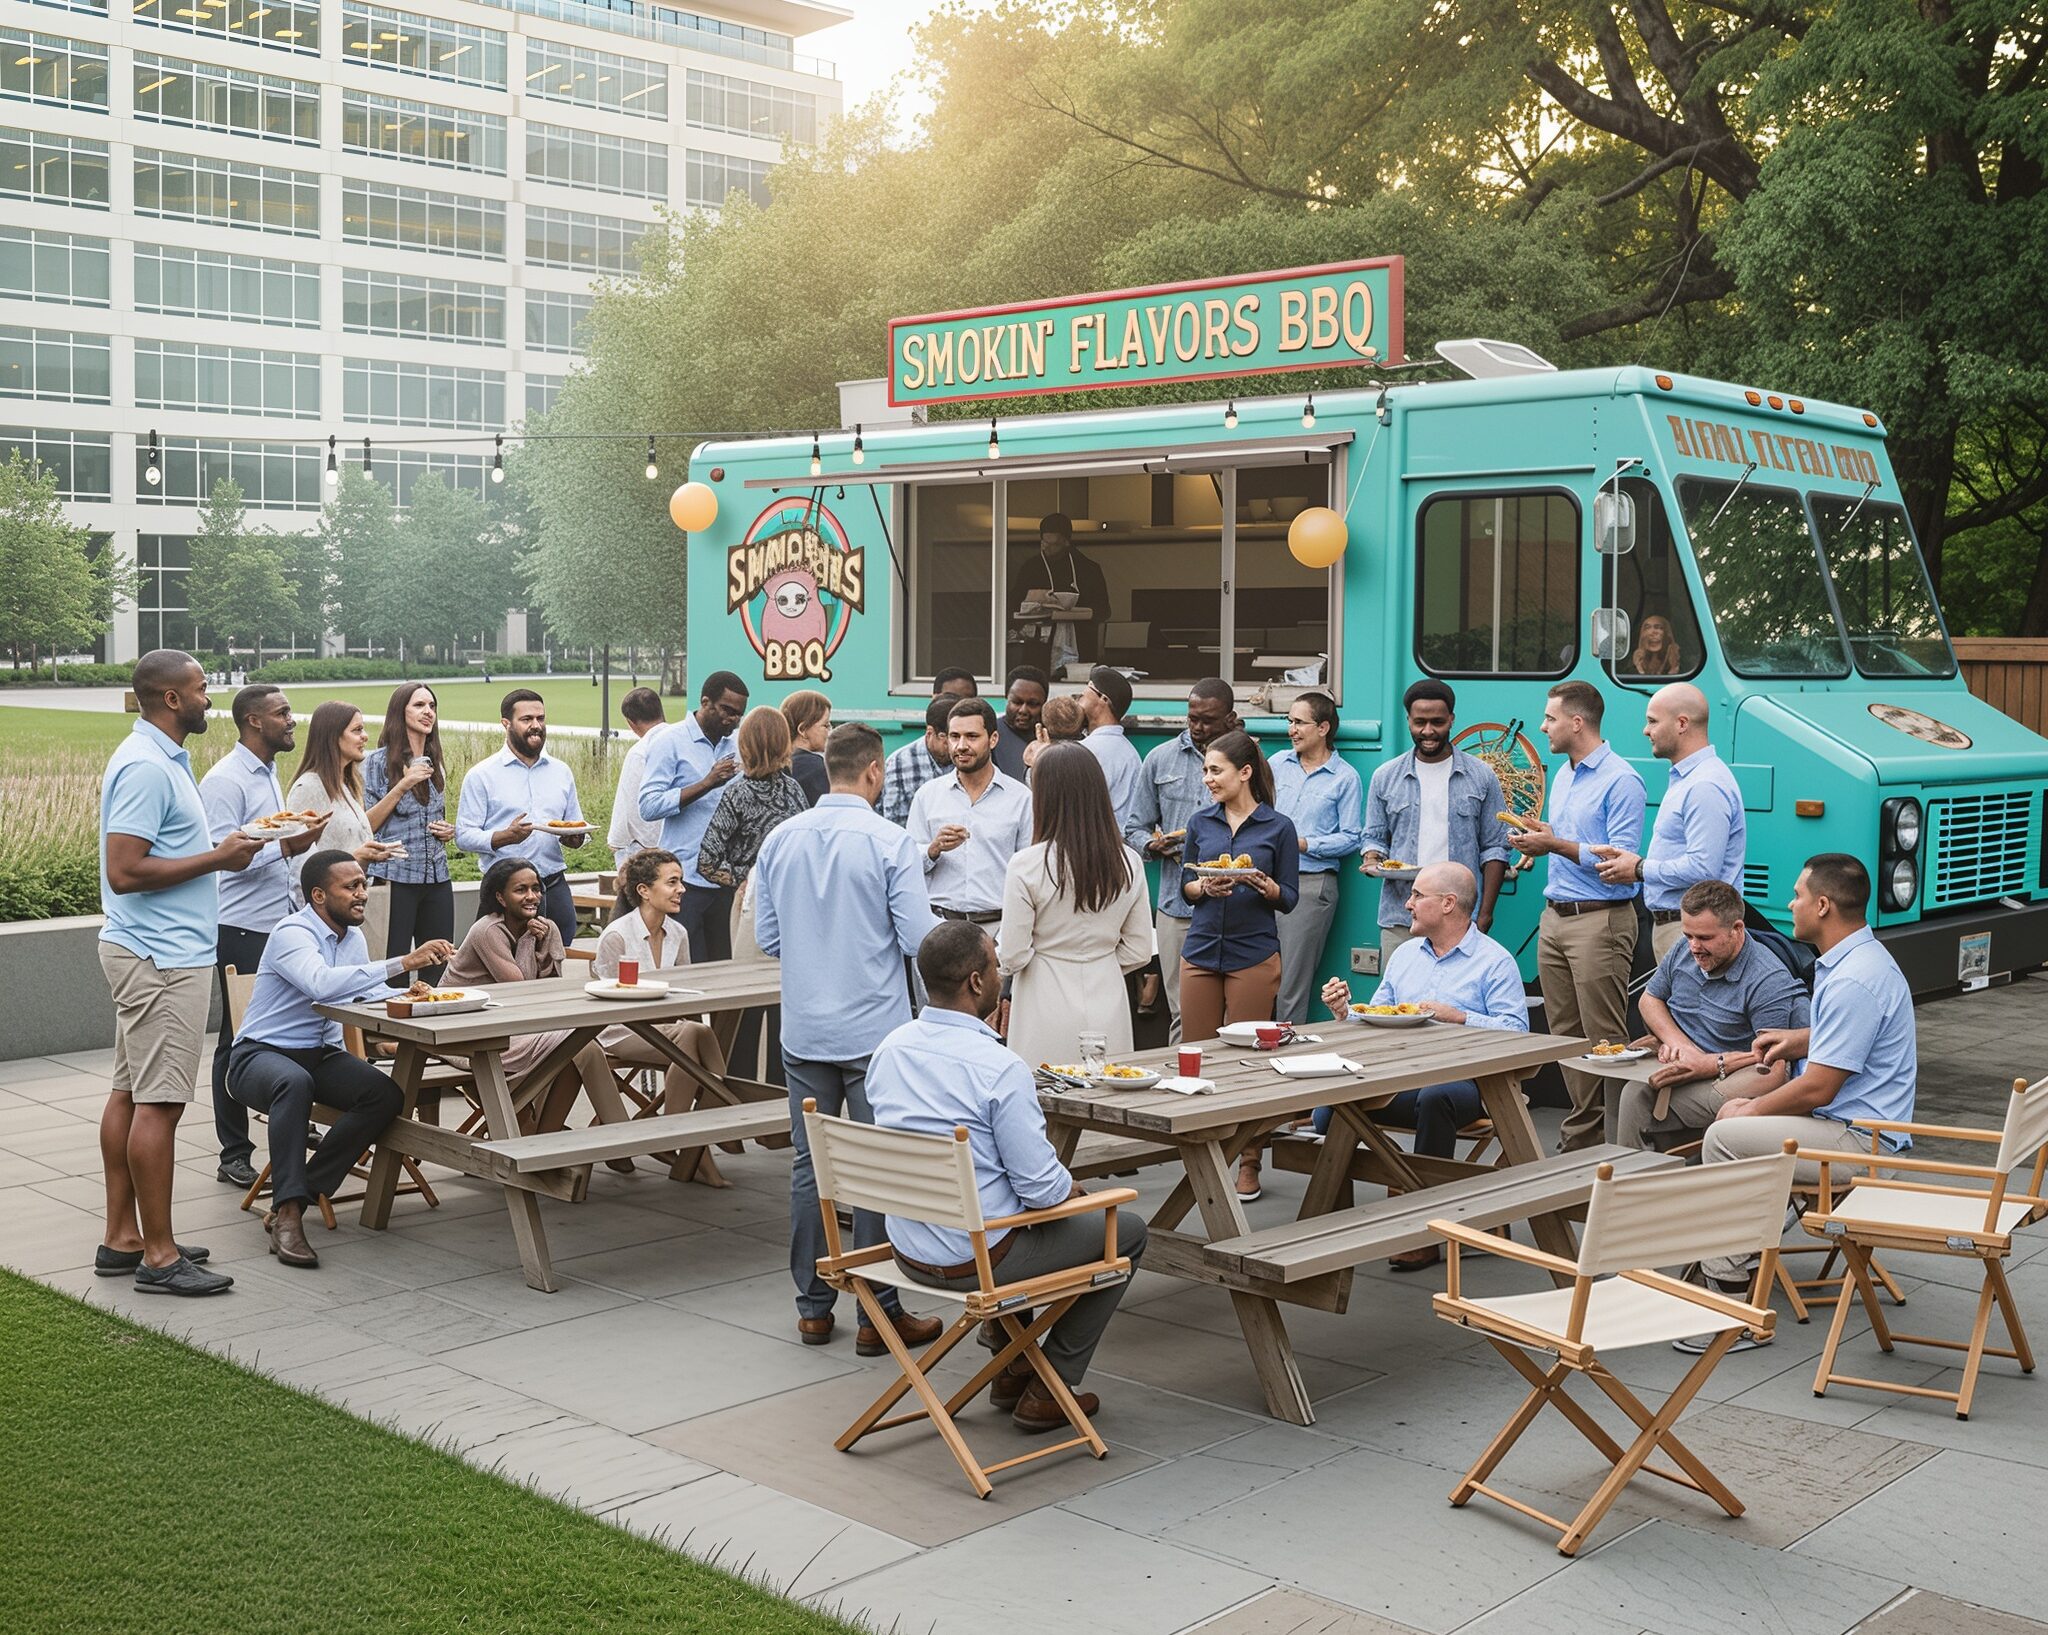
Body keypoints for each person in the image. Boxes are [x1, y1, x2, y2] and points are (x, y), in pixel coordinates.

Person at [867, 921, 1147, 1430]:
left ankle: (1014, 1362)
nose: (1001, 973)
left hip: (909, 1247)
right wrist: (1071, 1189)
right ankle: (1052, 1385)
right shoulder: (998, 1067)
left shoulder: (890, 1049)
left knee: (1012, 1213)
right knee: (1124, 1231)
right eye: (996, 964)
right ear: (977, 982)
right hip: (975, 1256)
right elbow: (1041, 1191)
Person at [753, 723, 943, 1353]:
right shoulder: (891, 842)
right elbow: (921, 941)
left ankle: (811, 1306)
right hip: (873, 1031)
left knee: (813, 1169)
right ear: (875, 771)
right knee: (875, 1170)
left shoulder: (781, 838)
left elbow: (770, 940)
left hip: (805, 1026)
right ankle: (876, 1311)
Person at [97, 650, 264, 1297]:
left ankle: (123, 1237)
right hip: (162, 957)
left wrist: (218, 855)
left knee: (130, 1093)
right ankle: (160, 1256)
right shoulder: (145, 766)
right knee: (159, 1105)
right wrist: (219, 857)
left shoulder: (161, 757)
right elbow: (124, 868)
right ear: (171, 699)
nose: (209, 699)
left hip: (156, 950)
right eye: (200, 689)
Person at [1692, 855, 1916, 1300]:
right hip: (1861, 1128)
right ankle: (1744, 1251)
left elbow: (1819, 1088)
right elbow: (1853, 1036)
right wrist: (1798, 1041)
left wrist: (1748, 1109)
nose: (1789, 904)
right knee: (1739, 1121)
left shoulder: (1853, 979)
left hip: (1861, 1141)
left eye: (1797, 896)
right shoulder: (1862, 960)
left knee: (1725, 1135)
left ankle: (1728, 1284)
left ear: (1823, 906)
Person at [227, 851, 455, 1269]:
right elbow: (321, 985)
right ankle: (289, 1217)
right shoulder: (292, 933)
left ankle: (302, 1191)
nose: (362, 894)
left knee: (385, 1095)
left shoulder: (352, 937)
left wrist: (412, 993)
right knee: (294, 1083)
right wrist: (400, 963)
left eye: (364, 884)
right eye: (351, 887)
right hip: (259, 1056)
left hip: (319, 1055)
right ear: (318, 895)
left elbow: (362, 993)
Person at [1317, 862, 1527, 1270]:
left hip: (1471, 1085)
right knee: (1329, 1110)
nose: (1407, 903)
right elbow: (1380, 1013)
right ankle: (1397, 1185)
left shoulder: (1495, 961)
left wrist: (1461, 1017)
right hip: (1398, 1076)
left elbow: (1518, 1031)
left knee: (1436, 1097)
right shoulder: (1405, 955)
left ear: (1448, 904)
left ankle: (1424, 1228)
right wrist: (1345, 1011)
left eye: (1416, 895)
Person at [199, 683, 329, 1189]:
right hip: (242, 927)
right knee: (238, 1039)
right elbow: (222, 861)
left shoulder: (270, 771)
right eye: (282, 713)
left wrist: (295, 844)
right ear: (254, 721)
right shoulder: (225, 780)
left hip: (281, 924)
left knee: (294, 1025)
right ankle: (234, 1152)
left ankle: (296, 1118)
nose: (292, 720)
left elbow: (270, 843)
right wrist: (293, 844)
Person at [1509, 681, 1647, 1152]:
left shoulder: (1622, 780)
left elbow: (1621, 866)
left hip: (1600, 920)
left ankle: (1613, 1146)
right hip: (1555, 917)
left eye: (1549, 719)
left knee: (1605, 1040)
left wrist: (1556, 845)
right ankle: (1583, 1137)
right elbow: (1570, 843)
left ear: (1577, 722)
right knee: (1566, 1037)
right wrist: (1544, 836)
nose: (1543, 726)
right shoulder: (1564, 774)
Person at [445, 859, 637, 1164]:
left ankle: (547, 1145)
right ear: (499, 897)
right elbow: (521, 989)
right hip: (468, 1033)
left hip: (513, 1024)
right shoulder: (487, 931)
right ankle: (616, 1140)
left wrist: (548, 936)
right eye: (521, 890)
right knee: (579, 1047)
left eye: (536, 888)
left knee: (579, 1047)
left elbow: (551, 987)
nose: (532, 896)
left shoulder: (540, 927)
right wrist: (530, 940)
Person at [1179, 729, 1299, 1198]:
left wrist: (1262, 885)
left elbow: (1287, 897)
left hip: (1253, 953)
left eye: (1216, 770)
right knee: (1196, 1057)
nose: (1207, 778)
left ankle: (1249, 1161)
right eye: (1206, 770)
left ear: (1244, 772)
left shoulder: (1278, 827)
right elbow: (1183, 889)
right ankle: (1200, 1153)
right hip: (1201, 951)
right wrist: (1203, 888)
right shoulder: (1200, 823)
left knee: (1249, 1063)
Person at [1619, 880, 1809, 1151]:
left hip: (1731, 1074)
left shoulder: (1767, 978)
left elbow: (1773, 1063)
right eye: (1688, 935)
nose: (1694, 947)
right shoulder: (1684, 949)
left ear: (1737, 929)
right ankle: (1631, 1177)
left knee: (1636, 1097)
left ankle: (1634, 1184)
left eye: (1705, 938)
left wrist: (1709, 1064)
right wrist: (1679, 1044)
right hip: (1685, 1060)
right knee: (1623, 1085)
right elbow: (1650, 999)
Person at [998, 743, 1153, 1067]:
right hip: (1107, 995)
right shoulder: (1129, 862)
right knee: (1110, 1100)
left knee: (1044, 1100)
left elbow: (1012, 953)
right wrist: (1099, 959)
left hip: (1042, 998)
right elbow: (1139, 949)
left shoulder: (1026, 864)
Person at [1359, 680, 1512, 966]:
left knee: (1456, 1006)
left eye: (1437, 722)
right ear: (1408, 721)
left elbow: (1495, 849)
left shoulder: (1481, 776)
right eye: (1419, 722)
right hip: (1400, 916)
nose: (1428, 731)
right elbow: (1375, 837)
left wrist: (1484, 915)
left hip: (1460, 918)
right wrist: (1372, 858)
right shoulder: (1385, 776)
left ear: (1452, 720)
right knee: (1401, 1003)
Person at [1592, 682, 1746, 961]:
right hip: (1682, 928)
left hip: (1692, 932)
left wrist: (1638, 868)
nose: (1646, 730)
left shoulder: (1704, 785)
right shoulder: (1691, 778)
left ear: (1682, 723)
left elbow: (1703, 868)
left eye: (1652, 721)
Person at [699, 705, 809, 1084]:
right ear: (784, 744)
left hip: (750, 906)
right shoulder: (794, 793)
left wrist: (742, 877)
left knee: (745, 1006)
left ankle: (736, 1092)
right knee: (783, 1004)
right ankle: (780, 1102)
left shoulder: (736, 794)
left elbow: (707, 860)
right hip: (790, 905)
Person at [1126, 679, 1237, 1043]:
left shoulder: (1246, 762)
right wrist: (1151, 846)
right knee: (1181, 1010)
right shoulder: (1160, 758)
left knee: (1230, 1011)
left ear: (1230, 719)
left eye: (1208, 720)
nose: (1199, 727)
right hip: (1176, 905)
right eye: (1192, 719)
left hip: (1234, 905)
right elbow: (1135, 826)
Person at [592, 848, 731, 1116]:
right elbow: (608, 1005)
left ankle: (679, 1132)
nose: (682, 889)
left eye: (680, 881)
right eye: (672, 882)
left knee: (695, 1032)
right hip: (622, 1032)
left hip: (668, 1029)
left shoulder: (678, 933)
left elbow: (683, 992)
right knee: (694, 1033)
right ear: (644, 890)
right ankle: (717, 1104)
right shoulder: (617, 937)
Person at [455, 688, 587, 949]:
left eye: (541, 718)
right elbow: (463, 835)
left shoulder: (561, 772)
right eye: (527, 719)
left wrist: (576, 838)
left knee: (557, 963)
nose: (536, 726)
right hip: (505, 892)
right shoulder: (482, 775)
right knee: (503, 970)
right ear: (506, 724)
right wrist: (505, 837)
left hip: (553, 882)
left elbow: (576, 825)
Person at [636, 671, 748, 961]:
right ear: (705, 702)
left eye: (738, 715)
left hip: (726, 879)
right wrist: (706, 784)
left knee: (725, 972)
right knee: (686, 970)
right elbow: (648, 806)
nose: (733, 720)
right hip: (685, 882)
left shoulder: (737, 746)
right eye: (727, 711)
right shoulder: (670, 741)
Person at [284, 700, 407, 953]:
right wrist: (357, 857)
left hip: (349, 914)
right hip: (324, 927)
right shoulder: (309, 788)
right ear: (332, 736)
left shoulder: (347, 786)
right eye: (357, 730)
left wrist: (369, 855)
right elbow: (300, 868)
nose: (365, 736)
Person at [1271, 692, 1364, 1025]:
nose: (1291, 730)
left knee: (1290, 985)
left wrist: (1304, 844)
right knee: (1254, 976)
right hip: (1264, 882)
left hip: (1310, 887)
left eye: (1299, 722)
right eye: (1289, 721)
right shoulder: (1277, 764)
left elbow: (1353, 837)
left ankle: (1284, 1057)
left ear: (1323, 727)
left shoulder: (1345, 777)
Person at [908, 698, 1035, 931]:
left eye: (972, 736)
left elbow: (1031, 874)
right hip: (939, 926)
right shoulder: (927, 796)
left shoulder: (1021, 799)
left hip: (997, 928)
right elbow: (907, 863)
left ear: (993, 739)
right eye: (955, 737)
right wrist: (933, 849)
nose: (961, 745)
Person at [364, 682, 456, 984]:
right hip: (395, 878)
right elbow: (367, 825)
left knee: (439, 963)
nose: (428, 712)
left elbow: (431, 817)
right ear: (399, 711)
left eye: (432, 706)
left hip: (437, 877)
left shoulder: (435, 762)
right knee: (394, 969)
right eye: (419, 705)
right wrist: (403, 784)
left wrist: (446, 831)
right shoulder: (376, 762)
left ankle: (435, 1026)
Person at [1008, 512, 1109, 677]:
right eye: (1043, 543)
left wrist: (1075, 613)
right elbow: (1013, 604)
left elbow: (1104, 610)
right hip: (1038, 646)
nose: (1046, 548)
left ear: (1066, 542)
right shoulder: (1031, 568)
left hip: (1080, 642)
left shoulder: (1088, 569)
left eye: (1053, 544)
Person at [606, 687, 673, 863]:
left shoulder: (640, 751)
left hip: (643, 848)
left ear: (631, 723)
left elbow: (631, 805)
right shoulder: (682, 741)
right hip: (675, 843)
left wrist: (617, 842)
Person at [1077, 665, 1143, 833]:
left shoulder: (1087, 751)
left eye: (1089, 687)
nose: (1081, 694)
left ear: (1104, 699)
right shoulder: (1130, 754)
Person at [883, 697, 956, 826]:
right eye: (947, 740)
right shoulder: (899, 763)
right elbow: (893, 822)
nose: (955, 747)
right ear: (930, 733)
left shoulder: (968, 756)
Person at [993, 665, 1050, 780]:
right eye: (1017, 702)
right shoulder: (990, 733)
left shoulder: (1053, 736)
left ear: (1044, 703)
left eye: (1032, 704)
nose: (1023, 710)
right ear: (1007, 698)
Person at [781, 688, 833, 805]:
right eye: (825, 725)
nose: (830, 731)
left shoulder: (775, 766)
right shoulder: (818, 769)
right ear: (802, 729)